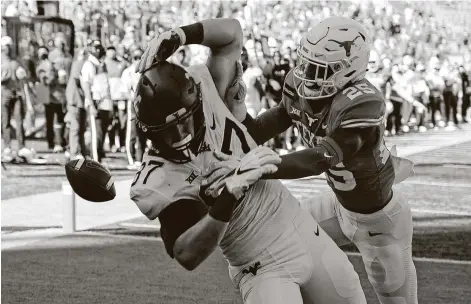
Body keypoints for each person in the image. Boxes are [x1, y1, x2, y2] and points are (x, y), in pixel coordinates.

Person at [133, 18, 366, 304]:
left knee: (350, 295)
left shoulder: (208, 89)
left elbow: (232, 34)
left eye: (185, 121)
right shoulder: (158, 178)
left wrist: (181, 35)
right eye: (167, 132)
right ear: (146, 131)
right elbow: (187, 255)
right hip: (259, 263)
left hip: (301, 228)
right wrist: (229, 194)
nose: (181, 135)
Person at [212, 16, 418, 304]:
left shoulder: (362, 101)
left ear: (348, 70)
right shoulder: (299, 86)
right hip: (338, 206)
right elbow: (258, 130)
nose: (308, 75)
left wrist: (262, 167)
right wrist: (237, 106)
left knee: (395, 297)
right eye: (307, 63)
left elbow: (321, 159)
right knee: (282, 232)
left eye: (321, 69)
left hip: (380, 222)